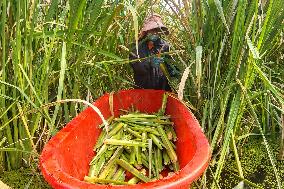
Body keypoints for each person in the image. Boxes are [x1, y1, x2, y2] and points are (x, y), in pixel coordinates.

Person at [129, 14, 180, 91]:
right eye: (152, 30)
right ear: (146, 31)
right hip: (142, 88)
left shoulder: (164, 46)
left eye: (157, 30)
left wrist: (173, 71)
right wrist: (149, 63)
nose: (155, 32)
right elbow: (135, 65)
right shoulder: (136, 46)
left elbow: (169, 64)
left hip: (162, 88)